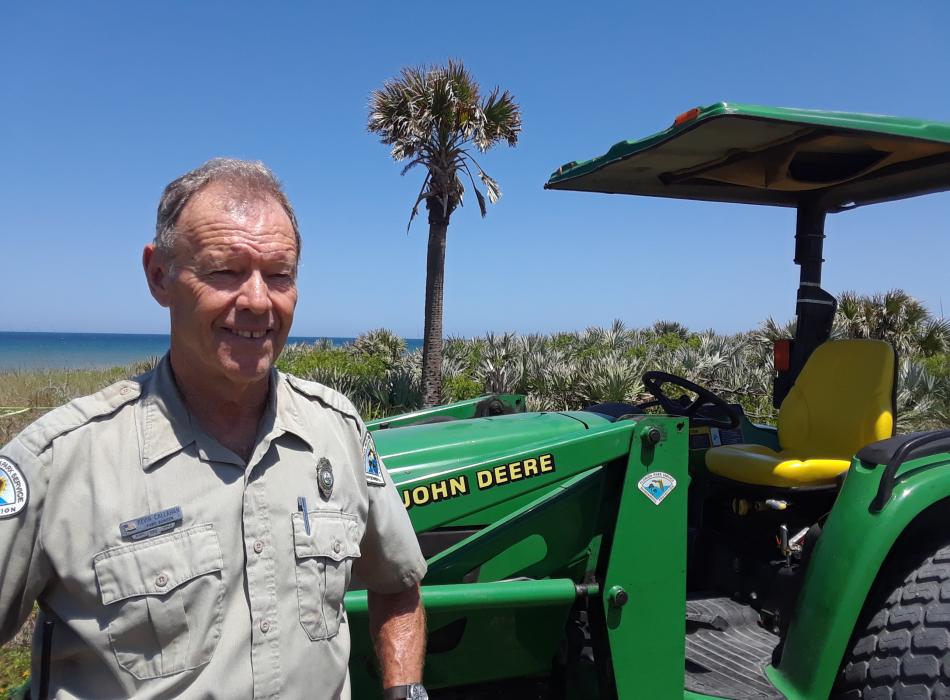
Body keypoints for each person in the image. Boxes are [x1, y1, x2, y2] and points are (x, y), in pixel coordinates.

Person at [0, 158, 428, 699]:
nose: (256, 300)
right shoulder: (61, 461)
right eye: (224, 270)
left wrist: (405, 691)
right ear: (159, 276)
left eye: (279, 275)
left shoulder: (336, 430)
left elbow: (399, 587)